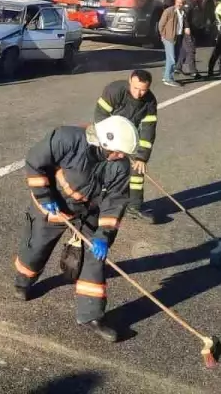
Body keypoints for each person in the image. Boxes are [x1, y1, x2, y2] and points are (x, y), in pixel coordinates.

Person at [13, 115, 139, 343]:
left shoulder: (120, 166)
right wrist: (44, 195)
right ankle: (24, 280)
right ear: (106, 142)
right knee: (36, 248)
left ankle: (91, 315)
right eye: (119, 151)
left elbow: (116, 200)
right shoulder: (66, 138)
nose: (122, 157)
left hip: (88, 210)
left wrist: (104, 235)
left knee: (95, 258)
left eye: (124, 153)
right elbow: (34, 161)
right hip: (52, 205)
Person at [93, 70, 158, 221]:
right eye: (135, 88)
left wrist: (142, 157)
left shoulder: (150, 102)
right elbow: (100, 116)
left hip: (130, 136)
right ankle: (95, 203)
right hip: (106, 134)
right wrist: (111, 144)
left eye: (143, 90)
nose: (138, 94)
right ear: (130, 81)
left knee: (137, 170)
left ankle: (134, 206)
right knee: (103, 167)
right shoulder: (114, 90)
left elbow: (148, 131)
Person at [179, 0, 208, 79]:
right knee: (191, 50)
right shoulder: (189, 1)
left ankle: (177, 67)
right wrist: (187, 27)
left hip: (196, 29)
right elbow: (185, 16)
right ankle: (193, 71)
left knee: (184, 49)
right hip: (189, 29)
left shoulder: (199, 1)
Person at [158, 0, 185, 87]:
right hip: (169, 37)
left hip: (178, 36)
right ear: (175, 2)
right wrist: (163, 35)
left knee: (174, 58)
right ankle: (168, 78)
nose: (180, 5)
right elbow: (161, 24)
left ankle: (167, 76)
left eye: (182, 3)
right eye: (179, 3)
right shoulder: (169, 11)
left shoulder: (182, 12)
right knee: (172, 58)